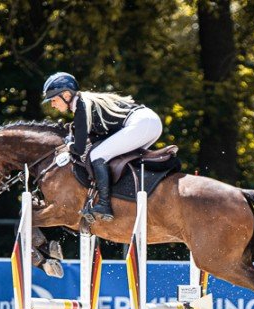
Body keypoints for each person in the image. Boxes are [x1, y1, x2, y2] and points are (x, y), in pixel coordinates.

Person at [42, 72, 163, 222]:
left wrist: (68, 144)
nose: (52, 104)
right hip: (151, 123)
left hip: (141, 124)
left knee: (97, 155)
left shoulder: (81, 107)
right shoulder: (85, 102)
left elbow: (79, 149)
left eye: (53, 99)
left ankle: (105, 204)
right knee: (113, 156)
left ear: (66, 95)